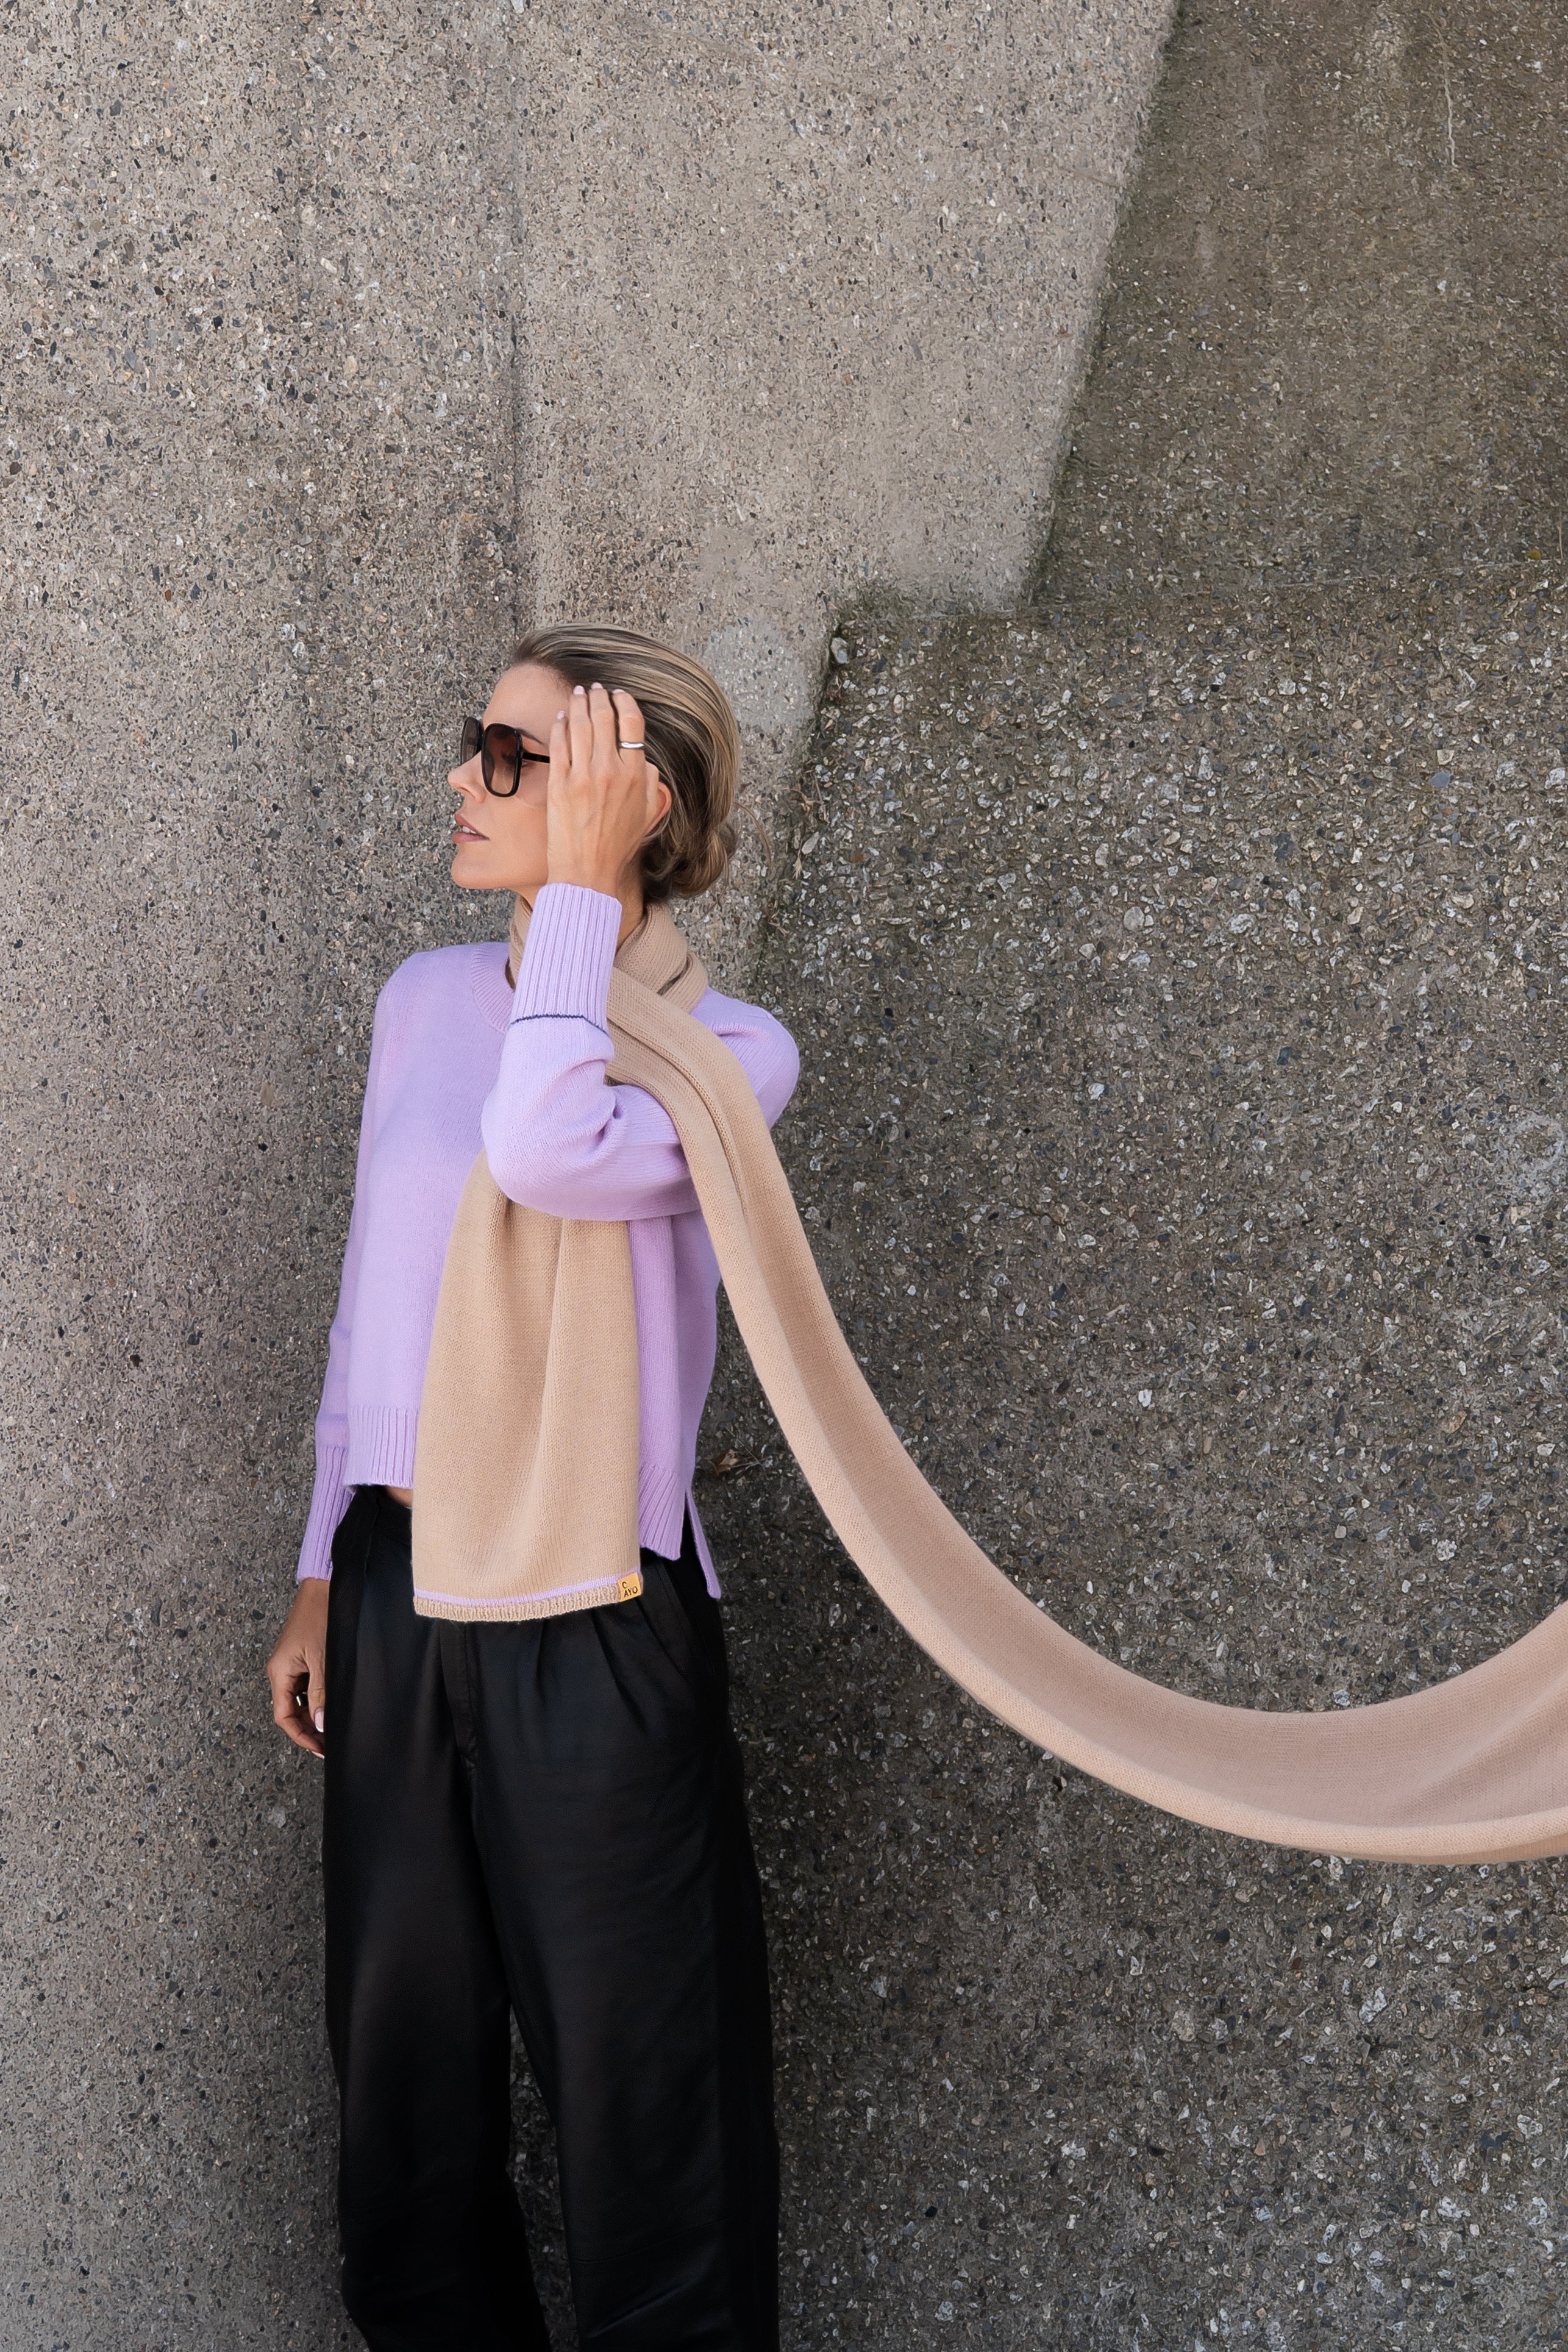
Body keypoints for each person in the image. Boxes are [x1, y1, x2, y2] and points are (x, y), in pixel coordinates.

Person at [265, 625, 798, 2352]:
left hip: (593, 1601)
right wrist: (323, 1568)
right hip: (400, 1580)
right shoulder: (423, 1001)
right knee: (403, 2112)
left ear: (634, 803)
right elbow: (374, 1300)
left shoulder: (729, 1054)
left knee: (651, 2125)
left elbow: (547, 1146)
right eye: (474, 739)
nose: (463, 778)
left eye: (515, 757)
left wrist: (577, 906)